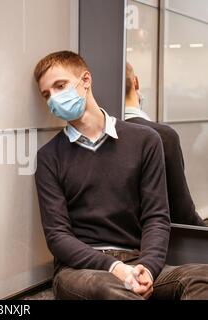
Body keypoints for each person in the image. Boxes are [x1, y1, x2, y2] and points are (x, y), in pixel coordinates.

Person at [33, 51, 208, 300]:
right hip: (81, 270)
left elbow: (157, 217)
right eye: (47, 94)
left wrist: (148, 267)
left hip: (137, 261)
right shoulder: (49, 157)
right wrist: (114, 268)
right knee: (114, 291)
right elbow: (57, 236)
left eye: (60, 86)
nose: (54, 99)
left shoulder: (145, 141)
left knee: (202, 277)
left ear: (85, 80)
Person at [125, 62, 206, 226]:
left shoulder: (92, 136)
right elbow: (181, 213)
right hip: (154, 242)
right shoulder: (162, 137)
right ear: (136, 82)